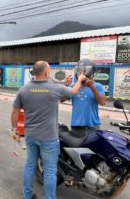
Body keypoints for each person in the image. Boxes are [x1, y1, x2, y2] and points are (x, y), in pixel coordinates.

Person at [11, 61, 86, 199]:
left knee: (30, 165)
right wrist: (80, 80)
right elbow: (73, 93)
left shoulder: (24, 89)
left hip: (31, 136)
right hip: (49, 138)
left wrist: (14, 129)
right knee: (50, 171)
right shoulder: (54, 88)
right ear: (46, 72)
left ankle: (27, 195)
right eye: (49, 70)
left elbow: (15, 112)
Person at [63, 58, 106, 137]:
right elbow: (62, 99)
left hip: (93, 126)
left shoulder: (98, 86)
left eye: (85, 70)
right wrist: (66, 86)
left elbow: (102, 102)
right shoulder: (73, 86)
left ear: (92, 72)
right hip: (77, 126)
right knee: (76, 149)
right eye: (80, 70)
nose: (82, 73)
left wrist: (92, 87)